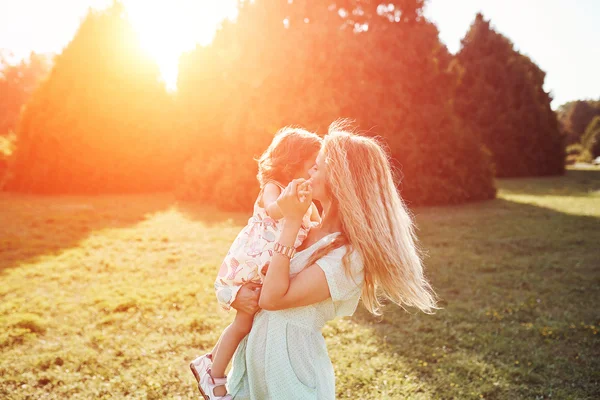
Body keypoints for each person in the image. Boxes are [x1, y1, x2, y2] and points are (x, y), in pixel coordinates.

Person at [226, 122, 438, 400]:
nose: (309, 171)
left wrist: (290, 221)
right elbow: (260, 275)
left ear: (339, 180)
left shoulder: (349, 258)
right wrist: (237, 294)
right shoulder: (308, 227)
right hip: (257, 361)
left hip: (292, 372)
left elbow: (273, 299)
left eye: (317, 166)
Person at [189, 128, 322, 400]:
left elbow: (318, 226)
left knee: (249, 325)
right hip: (252, 264)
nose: (313, 173)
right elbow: (273, 209)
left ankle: (212, 362)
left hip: (271, 270)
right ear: (293, 163)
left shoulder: (305, 200)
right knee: (243, 324)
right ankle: (212, 374)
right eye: (312, 166)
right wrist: (294, 203)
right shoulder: (274, 187)